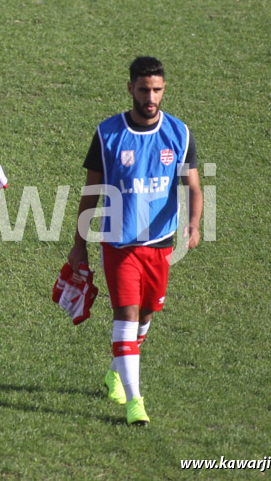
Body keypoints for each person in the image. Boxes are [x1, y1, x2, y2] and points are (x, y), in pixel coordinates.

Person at [66, 56, 203, 426]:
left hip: (160, 243)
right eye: (144, 89)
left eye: (157, 89)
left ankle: (116, 372)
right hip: (119, 243)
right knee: (125, 314)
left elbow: (193, 186)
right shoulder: (108, 134)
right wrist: (79, 243)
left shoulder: (179, 134)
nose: (151, 97)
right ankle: (135, 403)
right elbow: (91, 191)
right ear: (130, 89)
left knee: (145, 315)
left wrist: (193, 223)